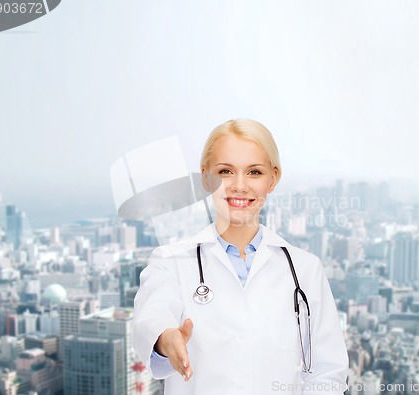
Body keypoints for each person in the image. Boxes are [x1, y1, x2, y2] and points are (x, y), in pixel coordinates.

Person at [133, 119, 349, 394]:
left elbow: (327, 373)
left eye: (254, 172)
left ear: (273, 179)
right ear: (205, 178)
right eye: (225, 171)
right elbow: (152, 319)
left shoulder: (305, 269)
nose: (239, 185)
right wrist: (166, 340)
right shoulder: (170, 262)